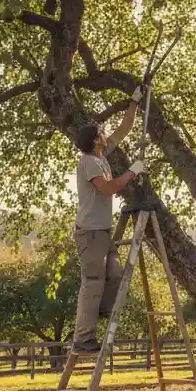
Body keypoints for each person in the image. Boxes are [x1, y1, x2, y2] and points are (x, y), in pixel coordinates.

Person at [72, 88, 145, 354]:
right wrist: (132, 172)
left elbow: (124, 128)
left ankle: (97, 311)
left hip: (102, 232)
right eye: (101, 132)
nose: (105, 134)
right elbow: (107, 188)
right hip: (90, 234)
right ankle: (83, 338)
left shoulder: (101, 156)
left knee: (114, 276)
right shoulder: (89, 162)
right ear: (95, 140)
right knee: (93, 282)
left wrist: (134, 101)